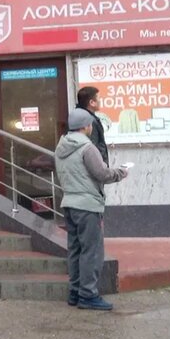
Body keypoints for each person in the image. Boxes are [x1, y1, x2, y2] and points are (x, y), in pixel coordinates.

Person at [55, 108, 128, 311]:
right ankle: (88, 295)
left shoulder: (61, 147)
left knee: (75, 250)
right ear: (86, 126)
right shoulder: (87, 148)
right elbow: (102, 173)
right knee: (91, 251)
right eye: (90, 125)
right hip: (87, 206)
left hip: (69, 203)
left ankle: (75, 291)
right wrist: (121, 172)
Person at [76, 85, 110, 165]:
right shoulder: (89, 121)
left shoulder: (79, 117)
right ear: (92, 103)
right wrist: (102, 168)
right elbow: (92, 149)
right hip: (96, 167)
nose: (100, 101)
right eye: (99, 98)